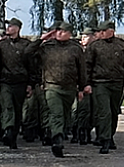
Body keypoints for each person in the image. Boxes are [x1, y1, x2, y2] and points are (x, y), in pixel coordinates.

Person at [25, 22, 87, 157]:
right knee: (56, 113)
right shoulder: (47, 47)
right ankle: (57, 140)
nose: (59, 33)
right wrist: (43, 38)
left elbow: (81, 69)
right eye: (57, 31)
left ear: (69, 33)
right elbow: (28, 52)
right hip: (52, 86)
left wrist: (82, 87)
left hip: (69, 87)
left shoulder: (75, 49)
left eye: (62, 31)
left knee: (65, 115)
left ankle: (60, 133)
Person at [85, 20, 124, 154]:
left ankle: (110, 135)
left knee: (113, 111)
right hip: (100, 82)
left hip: (117, 82)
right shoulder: (94, 46)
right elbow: (87, 65)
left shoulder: (121, 45)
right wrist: (87, 83)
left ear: (110, 31)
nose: (99, 34)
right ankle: (105, 139)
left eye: (102, 31)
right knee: (104, 112)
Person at [0, 18, 31, 149]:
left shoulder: (26, 44)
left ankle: (13, 135)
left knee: (18, 109)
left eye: (11, 26)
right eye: (8, 25)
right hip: (5, 81)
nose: (8, 28)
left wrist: (30, 84)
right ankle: (8, 130)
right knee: (7, 106)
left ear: (18, 28)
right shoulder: (1, 45)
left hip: (20, 81)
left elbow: (31, 66)